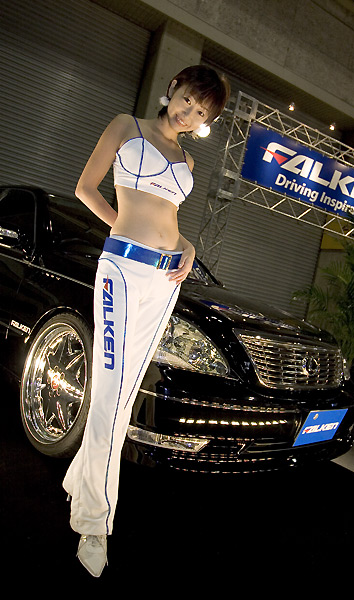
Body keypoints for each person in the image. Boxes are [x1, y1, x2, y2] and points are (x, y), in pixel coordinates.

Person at [62, 65, 230, 577]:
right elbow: (85, 188)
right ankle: (93, 522)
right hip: (122, 271)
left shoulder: (189, 160)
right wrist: (127, 232)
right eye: (188, 100)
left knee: (124, 395)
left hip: (164, 283)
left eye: (202, 112)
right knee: (110, 396)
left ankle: (80, 482)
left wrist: (188, 246)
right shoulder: (126, 126)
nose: (190, 113)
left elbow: (169, 220)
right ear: (173, 89)